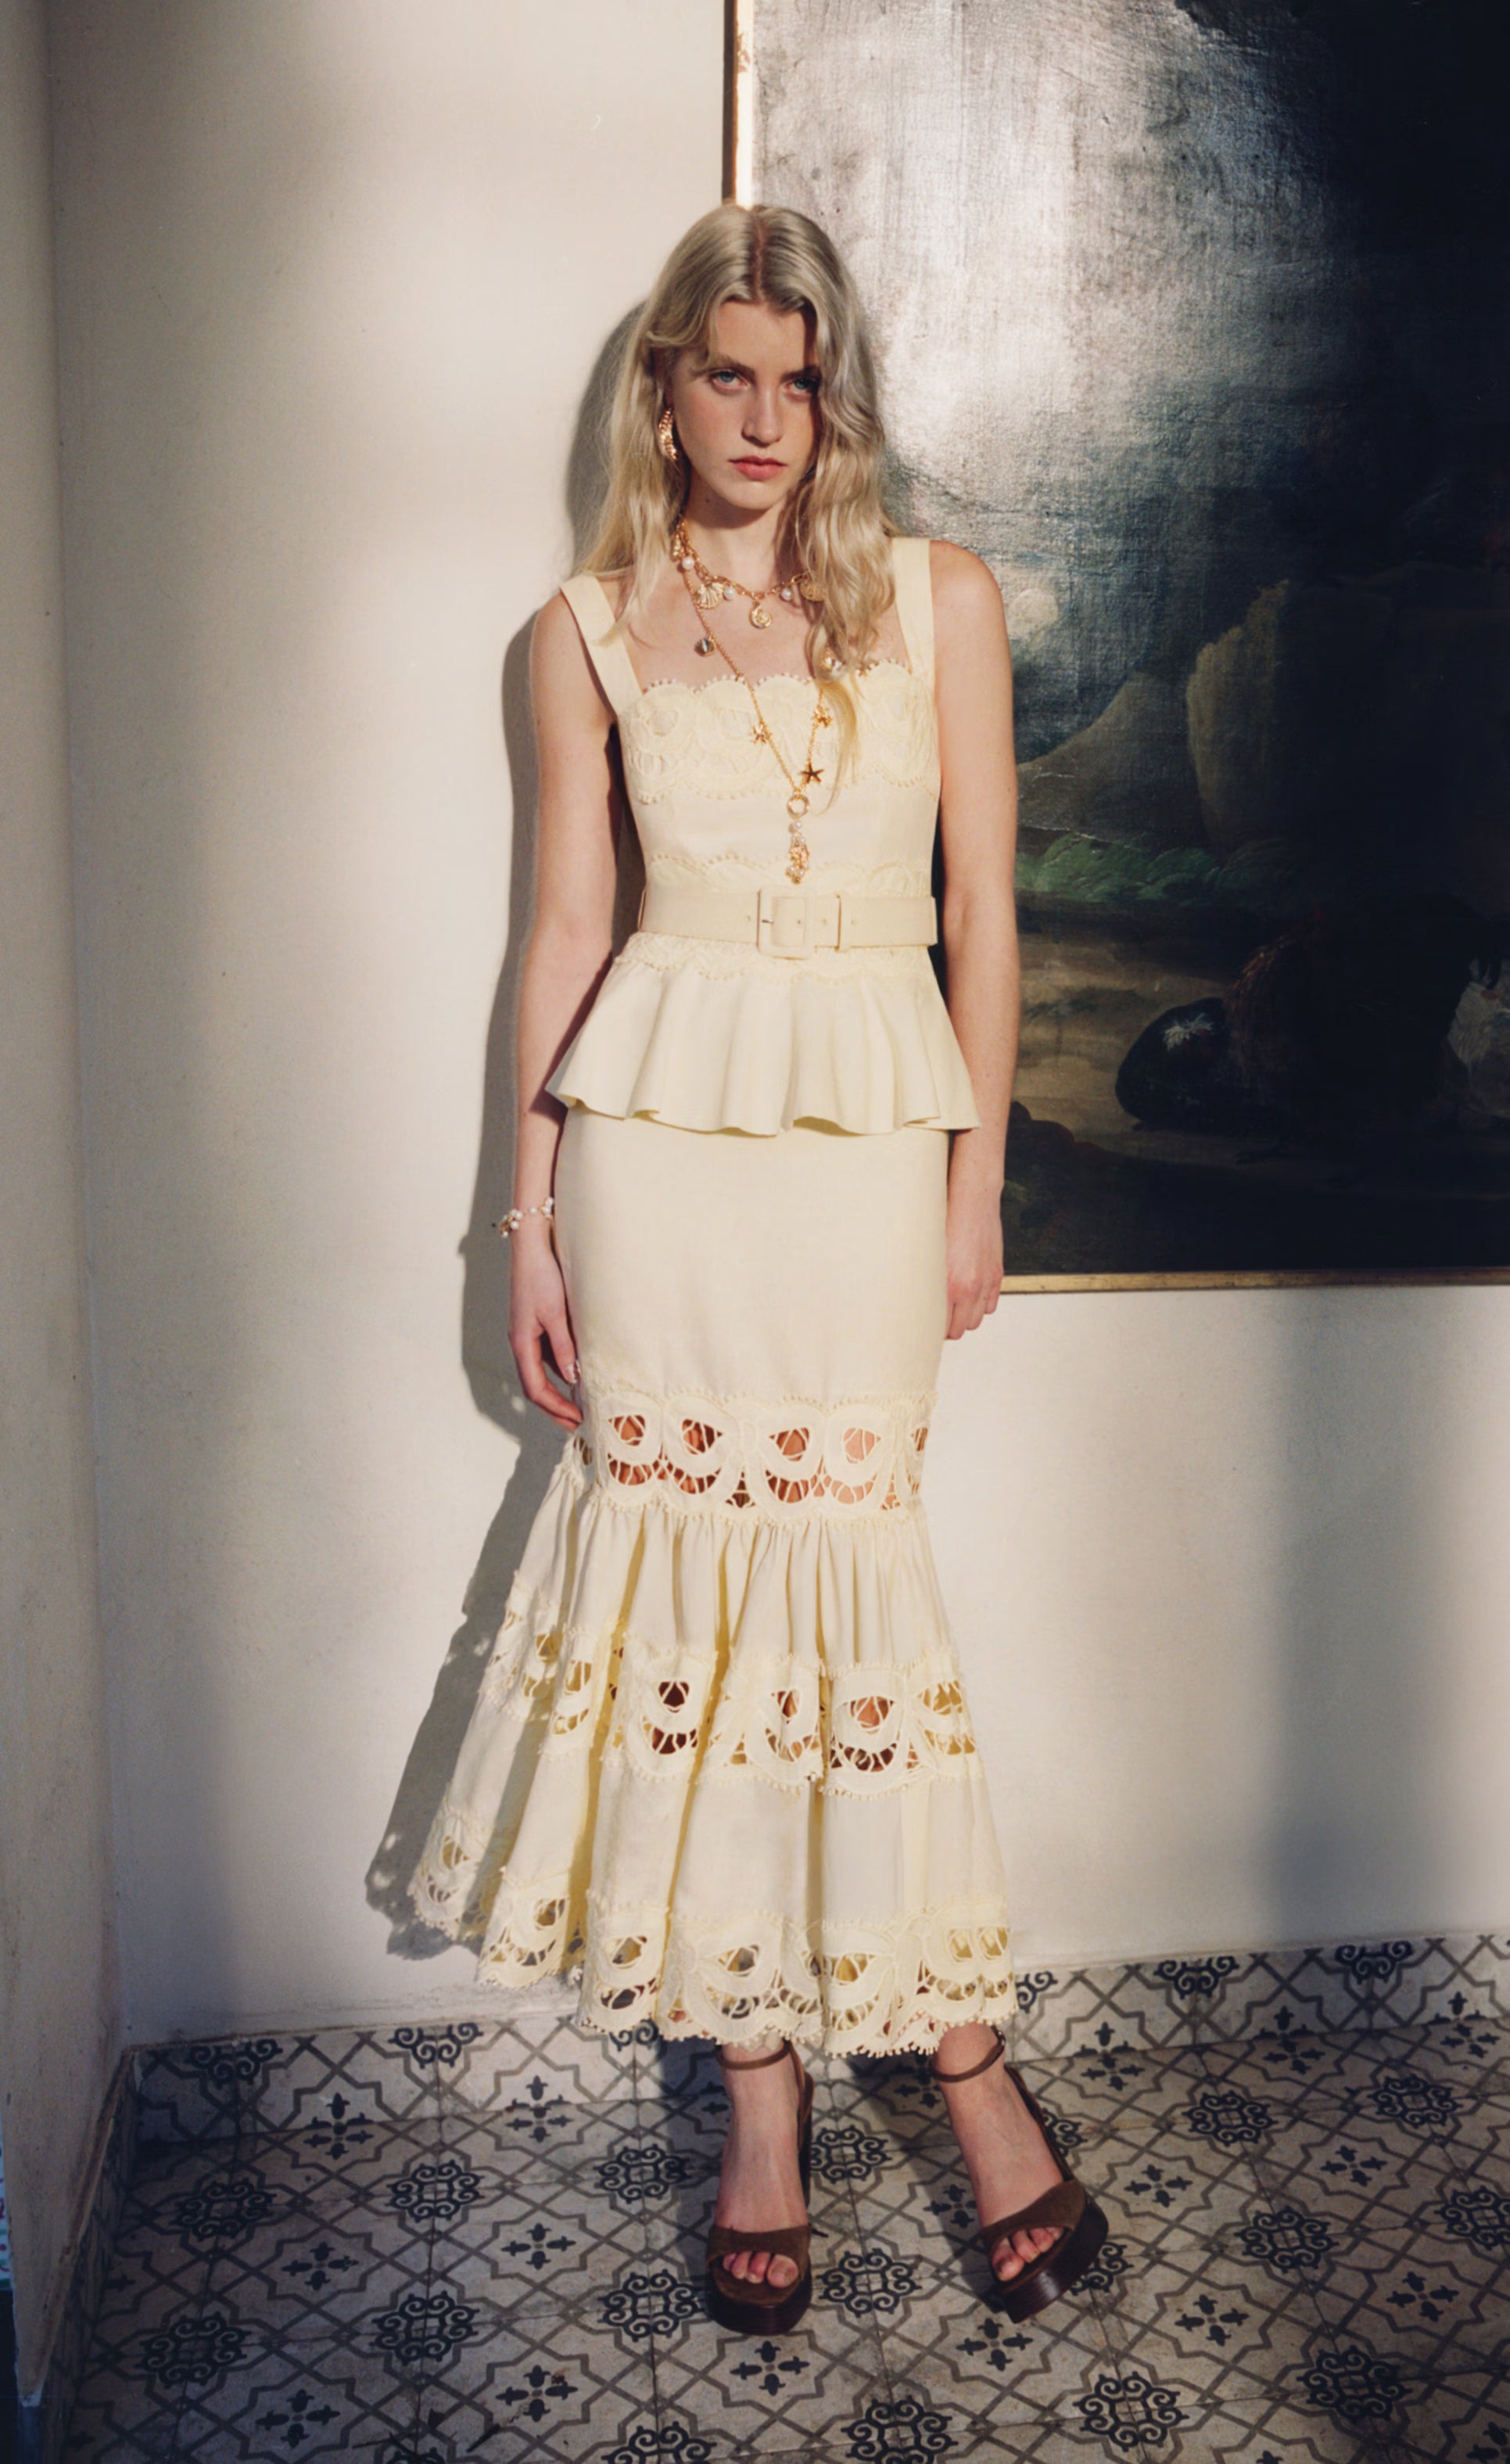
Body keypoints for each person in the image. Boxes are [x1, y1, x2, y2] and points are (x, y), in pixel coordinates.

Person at [411, 201, 1104, 2332]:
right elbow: (558, 937)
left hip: (866, 1142)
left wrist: (975, 1180)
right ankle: (762, 2109)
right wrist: (523, 1217)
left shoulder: (938, 600)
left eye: (799, 381)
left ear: (837, 399)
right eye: (726, 373)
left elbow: (983, 908)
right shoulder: (583, 630)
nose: (763, 420)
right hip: (657, 1157)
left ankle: (968, 2070)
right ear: (664, 384)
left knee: (848, 1580)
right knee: (687, 1603)